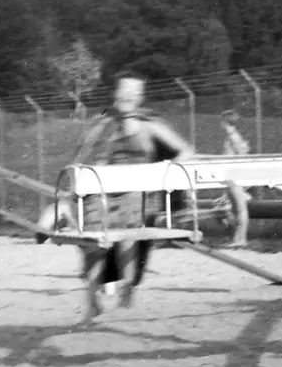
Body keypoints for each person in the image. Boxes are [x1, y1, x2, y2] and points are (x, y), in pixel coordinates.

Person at [66, 70, 193, 322]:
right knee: (92, 246)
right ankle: (93, 302)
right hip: (102, 193)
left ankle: (127, 288)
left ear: (140, 97)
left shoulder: (149, 125)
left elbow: (186, 151)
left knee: (127, 242)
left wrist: (162, 171)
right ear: (116, 92)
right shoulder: (104, 125)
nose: (128, 95)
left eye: (134, 92)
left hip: (135, 195)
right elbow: (81, 158)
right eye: (124, 90)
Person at [219, 110, 252, 248]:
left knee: (240, 208)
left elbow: (243, 155)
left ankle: (241, 239)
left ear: (225, 122)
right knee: (234, 208)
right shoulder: (231, 137)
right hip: (230, 175)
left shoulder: (234, 137)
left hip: (235, 175)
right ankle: (237, 239)